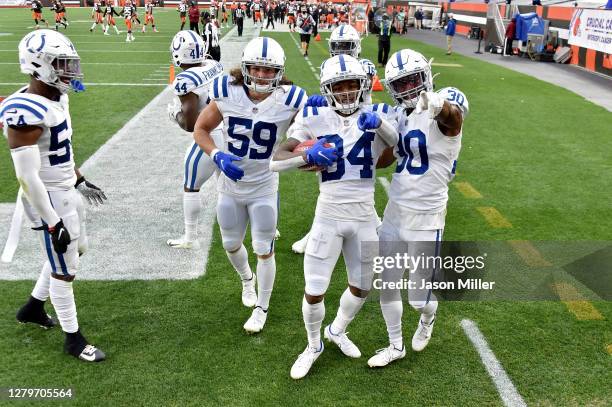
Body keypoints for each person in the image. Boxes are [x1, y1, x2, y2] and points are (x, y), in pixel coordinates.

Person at [270, 54, 398, 380]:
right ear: (327, 89)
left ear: (362, 85)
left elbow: (396, 153)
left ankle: (337, 330)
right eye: (337, 87)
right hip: (328, 212)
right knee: (314, 289)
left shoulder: (378, 113)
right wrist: (304, 155)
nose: (344, 92)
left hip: (365, 214)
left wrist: (382, 127)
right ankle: (313, 345)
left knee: (362, 285)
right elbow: (277, 158)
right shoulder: (315, 115)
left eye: (351, 85)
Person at [1, 29, 107, 362]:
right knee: (65, 269)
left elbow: (61, 150)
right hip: (46, 196)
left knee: (78, 250)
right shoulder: (25, 111)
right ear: (38, 66)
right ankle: (73, 339)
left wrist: (79, 179)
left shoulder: (57, 97)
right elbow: (28, 176)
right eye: (61, 64)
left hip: (64, 187)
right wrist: (52, 222)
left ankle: (33, 307)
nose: (70, 71)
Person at [192, 37, 306, 334]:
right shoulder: (226, 92)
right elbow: (201, 129)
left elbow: (309, 131)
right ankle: (246, 279)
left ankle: (262, 307)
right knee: (230, 244)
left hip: (264, 185)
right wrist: (216, 155)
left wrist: (315, 120)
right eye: (257, 68)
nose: (262, 75)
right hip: (230, 184)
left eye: (270, 71)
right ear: (245, 67)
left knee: (263, 249)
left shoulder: (292, 98)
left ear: (279, 72)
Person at [367, 49, 468, 368]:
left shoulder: (442, 113)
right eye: (402, 83)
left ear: (425, 76)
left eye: (414, 79)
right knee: (387, 282)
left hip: (427, 217)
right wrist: (376, 134)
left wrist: (435, 103)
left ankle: (428, 317)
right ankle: (395, 344)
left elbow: (452, 118)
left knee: (418, 297)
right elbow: (385, 159)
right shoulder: (401, 115)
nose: (409, 88)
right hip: (396, 210)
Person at [167, 31, 224, 250]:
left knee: (191, 186)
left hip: (208, 135)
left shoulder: (185, 80)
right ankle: (262, 227)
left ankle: (190, 237)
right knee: (228, 185)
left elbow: (190, 124)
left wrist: (175, 116)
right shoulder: (213, 64)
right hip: (228, 130)